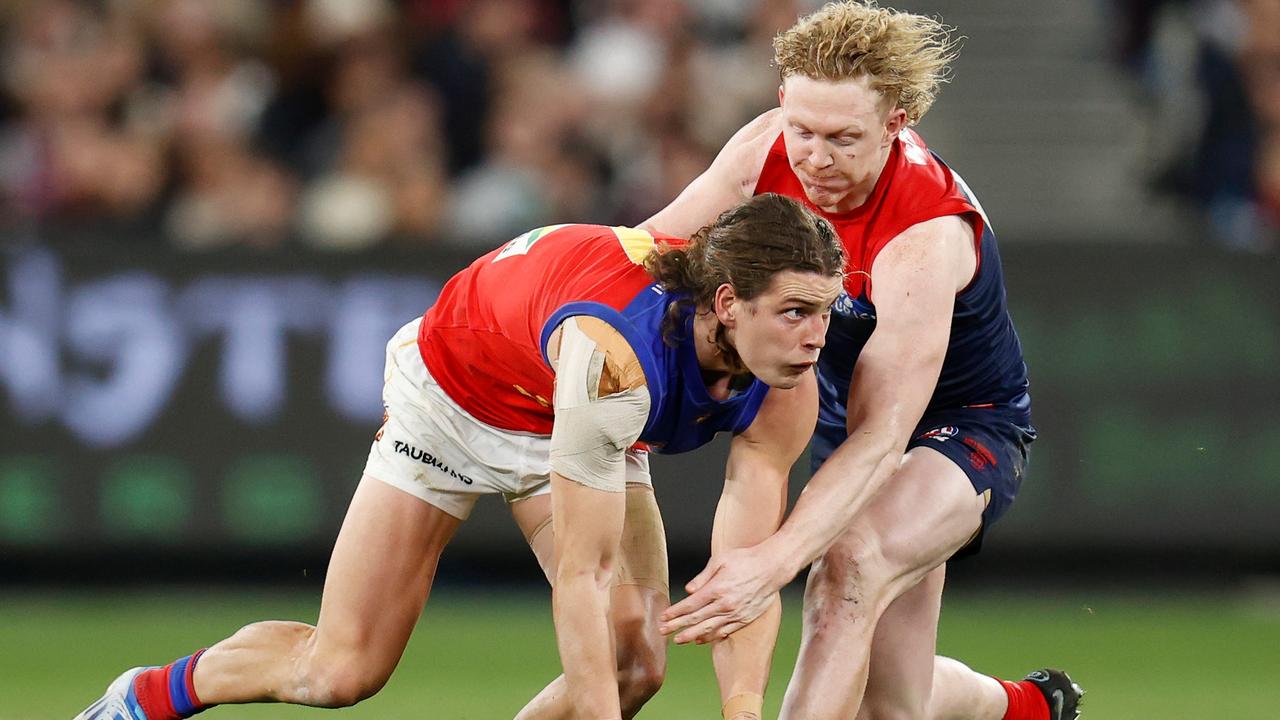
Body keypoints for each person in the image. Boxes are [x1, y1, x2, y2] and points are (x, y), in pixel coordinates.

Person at [73, 192, 846, 720]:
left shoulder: (789, 373)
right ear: (725, 304)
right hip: (454, 392)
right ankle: (146, 696)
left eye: (824, 311)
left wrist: (745, 710)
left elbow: (747, 570)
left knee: (635, 662)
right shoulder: (617, 360)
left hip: (570, 414)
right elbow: (582, 575)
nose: (815, 335)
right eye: (794, 312)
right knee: (341, 672)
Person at [644, 3, 1084, 720]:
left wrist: (773, 562)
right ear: (783, 102)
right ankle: (1030, 709)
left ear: (896, 124)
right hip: (848, 424)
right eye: (803, 130)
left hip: (960, 432)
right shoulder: (763, 150)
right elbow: (654, 253)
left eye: (844, 139)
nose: (815, 158)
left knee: (846, 564)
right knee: (892, 705)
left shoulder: (925, 232)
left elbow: (886, 438)